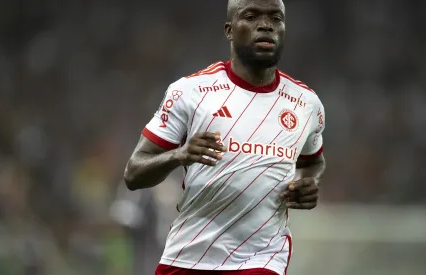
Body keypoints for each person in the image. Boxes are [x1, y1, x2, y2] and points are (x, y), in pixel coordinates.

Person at [124, 0, 326, 274]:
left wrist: (307, 183)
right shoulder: (191, 92)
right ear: (229, 30)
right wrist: (180, 154)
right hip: (188, 255)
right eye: (252, 16)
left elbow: (312, 161)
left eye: (276, 18)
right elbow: (134, 174)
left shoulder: (306, 104)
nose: (265, 25)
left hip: (262, 258)